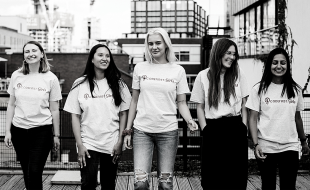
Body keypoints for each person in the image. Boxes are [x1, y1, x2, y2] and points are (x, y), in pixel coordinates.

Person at [123, 28, 198, 190]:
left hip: (168, 132)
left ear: (166, 45)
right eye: (150, 44)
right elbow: (134, 101)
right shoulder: (140, 68)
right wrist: (128, 130)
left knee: (165, 184)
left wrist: (189, 120)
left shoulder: (178, 70)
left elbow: (182, 102)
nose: (154, 47)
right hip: (142, 131)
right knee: (140, 183)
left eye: (158, 43)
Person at [64, 44, 131, 190]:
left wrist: (119, 141)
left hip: (111, 142)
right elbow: (75, 116)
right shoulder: (80, 84)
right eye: (100, 55)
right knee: (88, 184)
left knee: (108, 185)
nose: (105, 58)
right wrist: (80, 145)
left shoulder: (119, 84)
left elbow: (123, 113)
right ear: (92, 59)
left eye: (107, 56)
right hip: (88, 142)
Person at [246, 47, 310, 190]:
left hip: (290, 146)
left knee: (289, 186)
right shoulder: (259, 89)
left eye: (283, 63)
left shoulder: (295, 90)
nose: (279, 66)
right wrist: (256, 144)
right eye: (275, 62)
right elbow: (252, 118)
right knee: (268, 186)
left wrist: (304, 141)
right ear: (269, 65)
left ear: (288, 65)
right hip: (265, 146)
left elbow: (297, 118)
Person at [190, 38, 249, 189]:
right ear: (218, 53)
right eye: (228, 53)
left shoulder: (238, 74)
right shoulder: (203, 76)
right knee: (212, 178)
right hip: (213, 129)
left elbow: (244, 104)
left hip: (235, 127)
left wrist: (244, 126)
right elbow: (200, 107)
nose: (232, 57)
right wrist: (205, 129)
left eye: (234, 54)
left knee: (236, 177)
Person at [4, 41, 62, 189]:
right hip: (19, 130)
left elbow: (55, 109)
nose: (31, 54)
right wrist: (7, 131)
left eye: (34, 50)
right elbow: (11, 105)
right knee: (27, 171)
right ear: (24, 56)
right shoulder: (16, 75)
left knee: (35, 171)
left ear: (42, 54)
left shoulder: (51, 78)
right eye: (27, 51)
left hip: (41, 130)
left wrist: (56, 135)